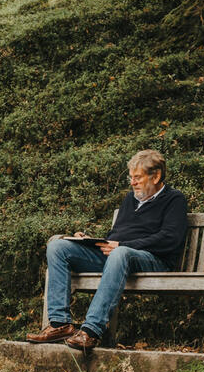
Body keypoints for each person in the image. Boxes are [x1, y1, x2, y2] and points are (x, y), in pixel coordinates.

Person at [27, 149, 187, 351]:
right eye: (131, 177)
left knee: (120, 253)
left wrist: (122, 246)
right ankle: (60, 324)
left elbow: (170, 239)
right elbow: (117, 235)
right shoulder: (131, 199)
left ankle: (91, 331)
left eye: (137, 177)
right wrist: (90, 241)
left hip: (152, 260)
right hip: (118, 257)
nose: (132, 182)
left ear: (155, 176)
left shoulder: (174, 200)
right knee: (58, 246)